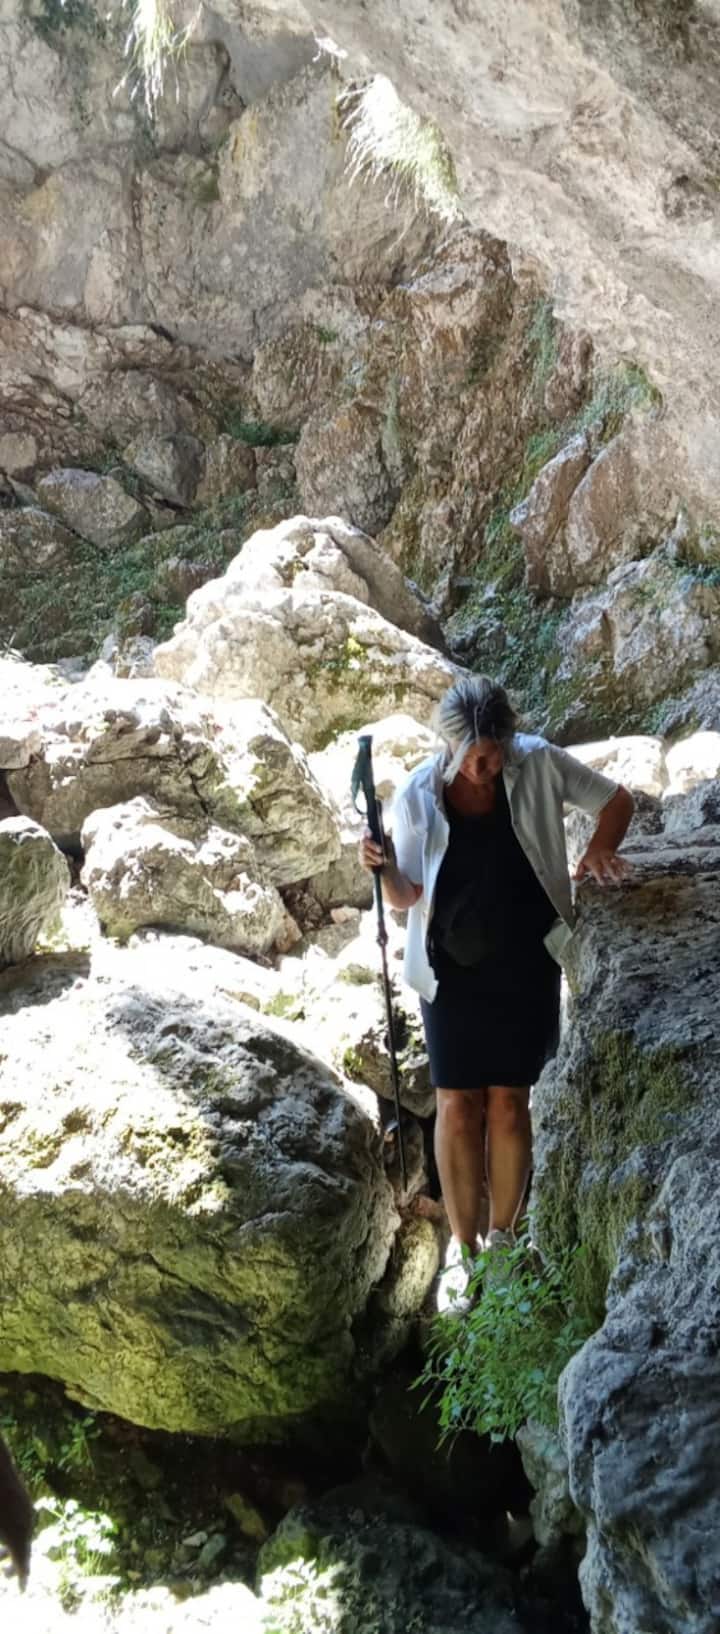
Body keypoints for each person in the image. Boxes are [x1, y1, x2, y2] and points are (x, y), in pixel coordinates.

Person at [359, 675, 634, 1305]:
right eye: (473, 757)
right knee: (457, 1106)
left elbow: (616, 802)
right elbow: (406, 897)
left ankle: (505, 1242)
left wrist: (598, 850)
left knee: (510, 1102)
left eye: (493, 755)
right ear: (448, 746)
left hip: (525, 960)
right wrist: (384, 866)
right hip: (449, 970)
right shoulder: (419, 794)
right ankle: (465, 1251)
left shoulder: (538, 763)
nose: (484, 769)